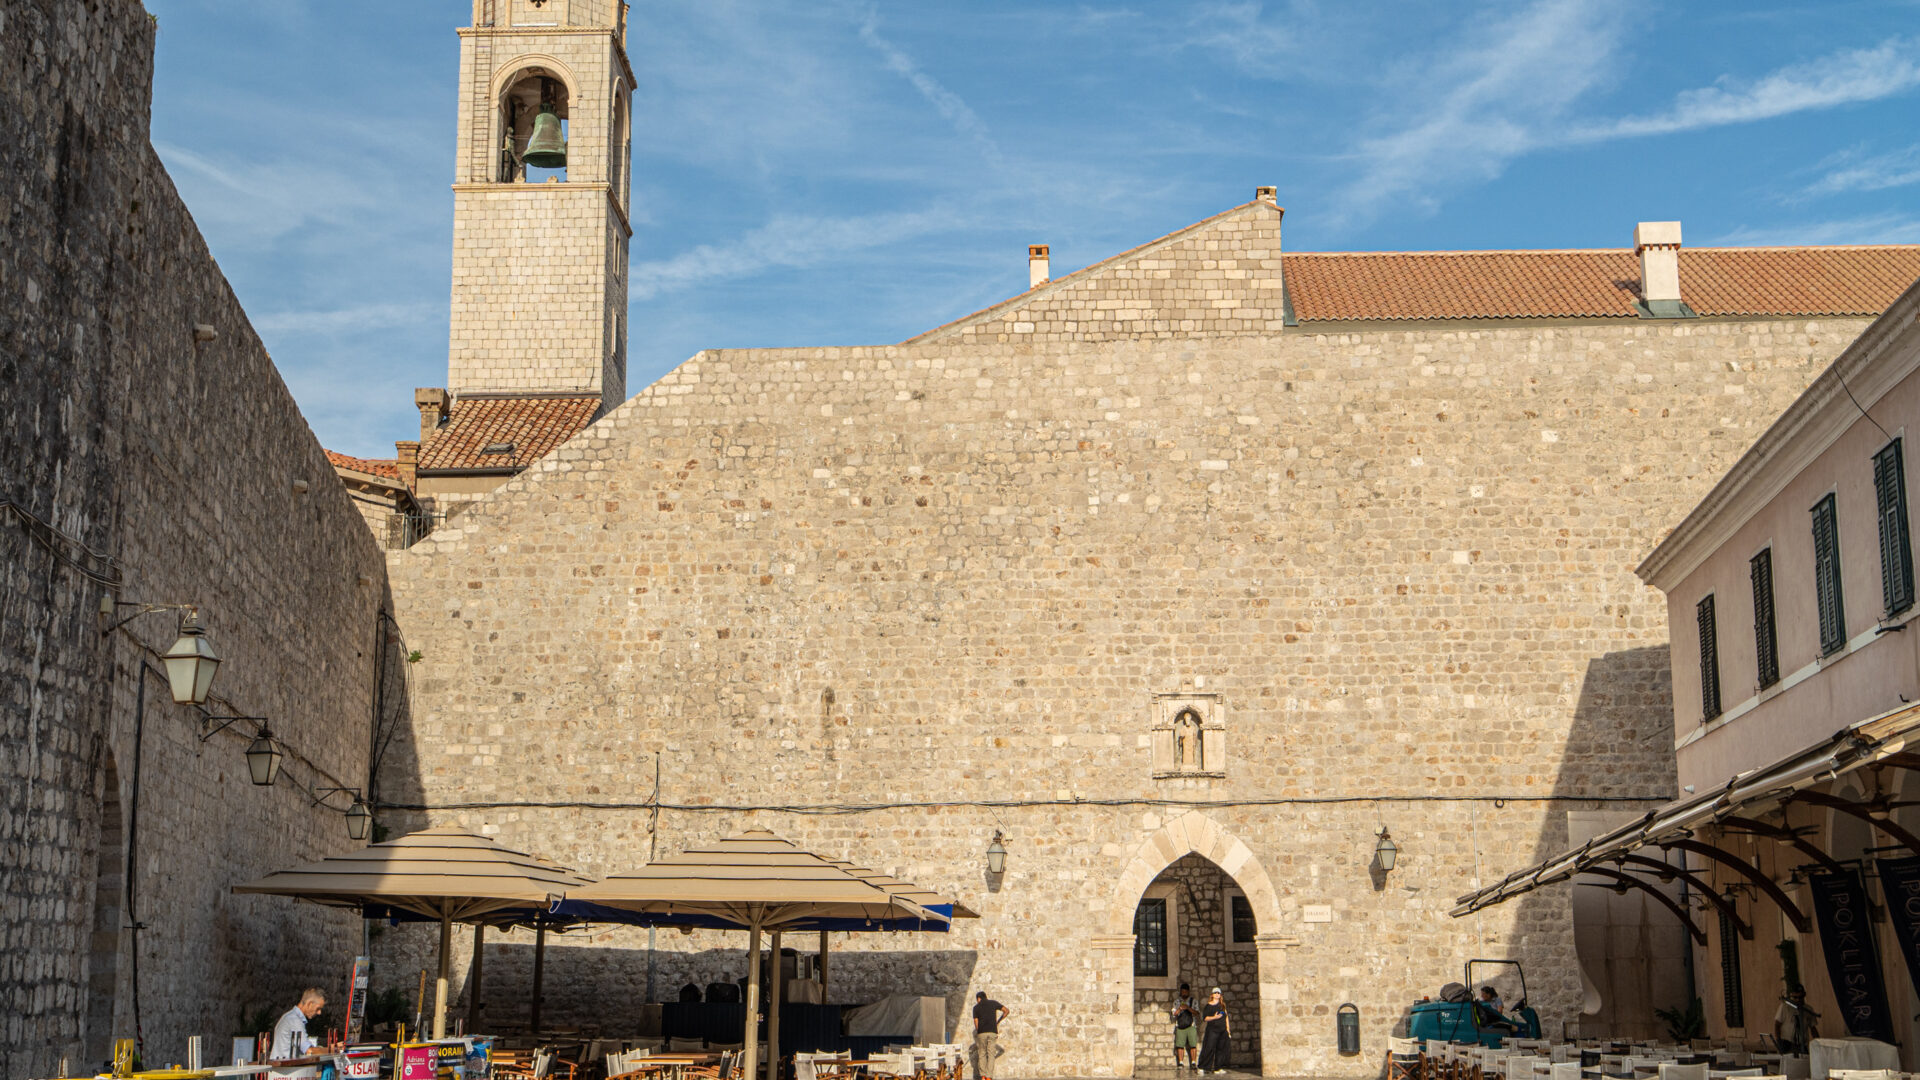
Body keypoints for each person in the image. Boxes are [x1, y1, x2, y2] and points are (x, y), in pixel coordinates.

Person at [269, 989, 326, 1060]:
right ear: (310, 1004)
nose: (319, 1013)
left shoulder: (289, 1016)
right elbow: (309, 1050)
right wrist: (333, 1050)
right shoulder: (294, 1020)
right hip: (286, 1064)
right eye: (318, 1009)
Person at [972, 990, 1009, 1080]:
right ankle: (989, 1077)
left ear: (978, 998)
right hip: (992, 1031)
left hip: (982, 1032)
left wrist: (978, 1031)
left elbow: (976, 1022)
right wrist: (998, 1021)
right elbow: (1006, 1011)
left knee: (982, 1054)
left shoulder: (976, 1007)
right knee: (991, 1054)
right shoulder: (993, 1003)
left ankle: (983, 1076)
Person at [1197, 988, 1231, 1075]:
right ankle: (1202, 1067)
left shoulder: (1222, 1005)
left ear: (1220, 995)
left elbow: (1226, 1017)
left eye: (1218, 993)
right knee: (1209, 1048)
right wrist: (1214, 1017)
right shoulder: (1208, 1006)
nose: (1217, 994)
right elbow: (1205, 1018)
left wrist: (1228, 1029)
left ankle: (1218, 1068)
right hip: (1212, 1031)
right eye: (1215, 993)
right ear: (1212, 995)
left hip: (1222, 1031)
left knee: (1221, 1049)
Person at [1774, 987, 1817, 1054]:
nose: (1798, 1000)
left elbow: (1813, 1028)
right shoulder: (1785, 1007)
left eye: (1800, 997)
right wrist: (1779, 1041)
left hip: (1802, 1044)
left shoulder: (1808, 1010)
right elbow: (1777, 1024)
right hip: (1787, 1043)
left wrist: (1819, 1043)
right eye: (1795, 997)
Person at [1170, 983, 1200, 1069]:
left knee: (1193, 1044)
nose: (1184, 993)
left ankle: (1193, 1062)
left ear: (1188, 992)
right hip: (1180, 1025)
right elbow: (1174, 1014)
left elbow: (1197, 1012)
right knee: (1180, 1045)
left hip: (1191, 1025)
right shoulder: (1176, 1002)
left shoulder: (1193, 1001)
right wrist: (1180, 1008)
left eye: (1185, 992)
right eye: (1182, 992)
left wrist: (1188, 1008)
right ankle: (1180, 1062)